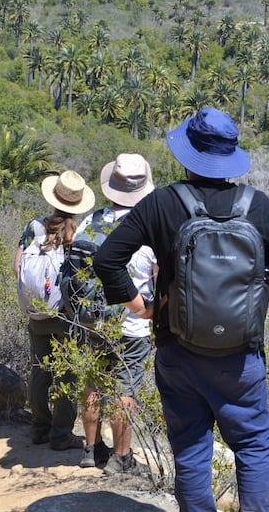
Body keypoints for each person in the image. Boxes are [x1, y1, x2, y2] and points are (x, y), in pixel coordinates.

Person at [94, 108, 269, 511]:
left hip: (178, 351)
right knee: (252, 446)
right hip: (241, 358)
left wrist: (139, 306)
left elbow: (107, 258)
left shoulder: (161, 203)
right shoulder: (259, 206)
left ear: (188, 154)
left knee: (191, 447)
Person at [78, 153, 158, 473]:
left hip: (94, 317)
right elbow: (158, 275)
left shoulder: (90, 222)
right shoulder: (149, 229)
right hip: (134, 321)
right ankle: (121, 458)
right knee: (126, 389)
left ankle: (89, 449)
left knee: (93, 384)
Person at [18, 170, 98, 452]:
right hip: (66, 315)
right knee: (68, 374)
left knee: (40, 369)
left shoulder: (34, 227)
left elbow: (17, 266)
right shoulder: (78, 233)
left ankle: (39, 428)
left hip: (37, 312)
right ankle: (61, 434)